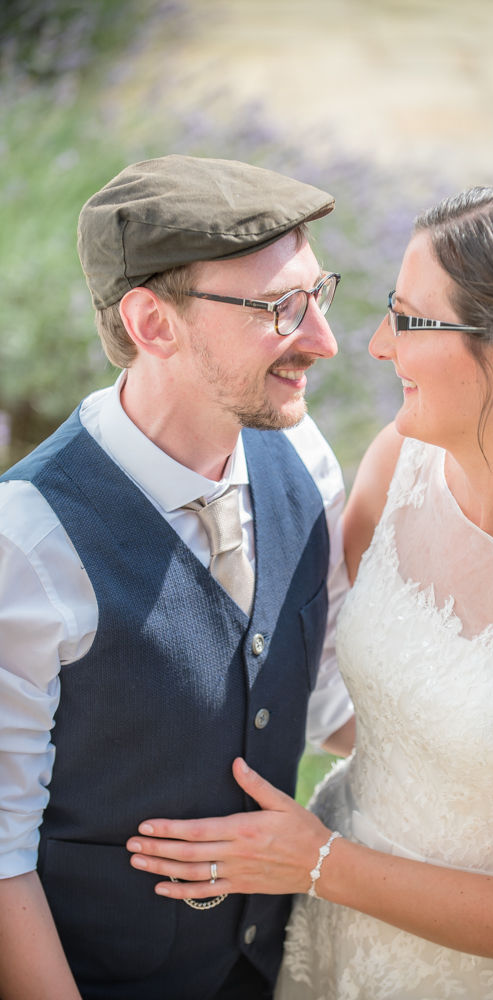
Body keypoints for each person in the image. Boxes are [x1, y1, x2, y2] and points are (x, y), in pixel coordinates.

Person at [126, 185, 493, 999]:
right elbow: (355, 684)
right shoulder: (400, 464)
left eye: (411, 321)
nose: (377, 345)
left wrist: (314, 861)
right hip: (335, 936)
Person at [0, 153, 355, 1000]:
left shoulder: (306, 459)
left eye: (318, 295)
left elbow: (324, 697)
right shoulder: (26, 541)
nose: (323, 340)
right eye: (280, 309)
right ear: (153, 323)